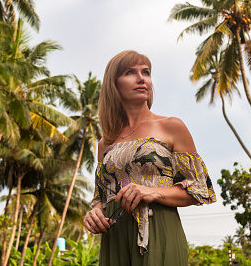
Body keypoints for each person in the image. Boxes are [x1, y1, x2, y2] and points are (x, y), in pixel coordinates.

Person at [83, 50, 216, 266]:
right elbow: (101, 197)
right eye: (130, 72)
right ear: (113, 84)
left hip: (158, 231)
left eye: (146, 72)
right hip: (114, 238)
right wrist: (95, 213)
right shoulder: (105, 143)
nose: (141, 78)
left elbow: (198, 190)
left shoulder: (172, 126)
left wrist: (151, 191)